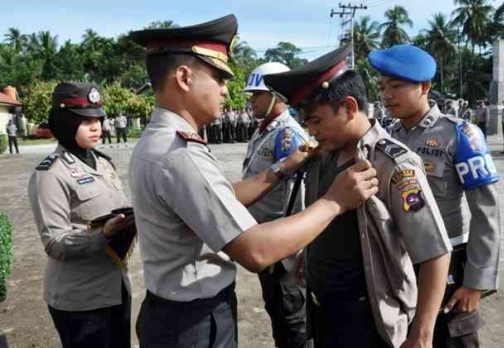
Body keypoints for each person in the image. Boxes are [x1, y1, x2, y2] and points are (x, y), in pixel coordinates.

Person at [128, 15, 379, 348]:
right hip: (191, 323)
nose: (225, 89)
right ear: (184, 77)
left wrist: (282, 168)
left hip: (178, 315)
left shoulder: (163, 142)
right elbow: (256, 251)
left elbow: (219, 199)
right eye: (218, 76)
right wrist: (334, 201)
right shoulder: (178, 153)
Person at [265, 44, 451, 348]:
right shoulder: (322, 157)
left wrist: (422, 335)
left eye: (317, 120)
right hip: (322, 310)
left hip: (369, 319)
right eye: (307, 122)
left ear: (350, 107)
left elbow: (434, 251)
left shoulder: (392, 164)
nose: (312, 132)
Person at [368, 44, 501, 348]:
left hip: (448, 266)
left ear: (425, 86)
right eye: (383, 87)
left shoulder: (460, 135)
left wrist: (476, 283)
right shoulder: (388, 137)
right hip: (399, 266)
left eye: (397, 86)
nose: (386, 95)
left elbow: (486, 214)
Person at [27, 82, 134, 348]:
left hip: (115, 288)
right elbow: (54, 242)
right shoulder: (50, 174)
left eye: (98, 118)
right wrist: (103, 234)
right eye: (86, 121)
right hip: (80, 299)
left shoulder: (103, 163)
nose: (96, 126)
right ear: (64, 122)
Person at [243, 62, 310, 348]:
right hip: (267, 245)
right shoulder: (265, 130)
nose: (251, 101)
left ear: (275, 95)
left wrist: (292, 254)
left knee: (293, 323)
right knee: (278, 317)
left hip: (283, 253)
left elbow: (298, 199)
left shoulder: (288, 136)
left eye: (256, 95)